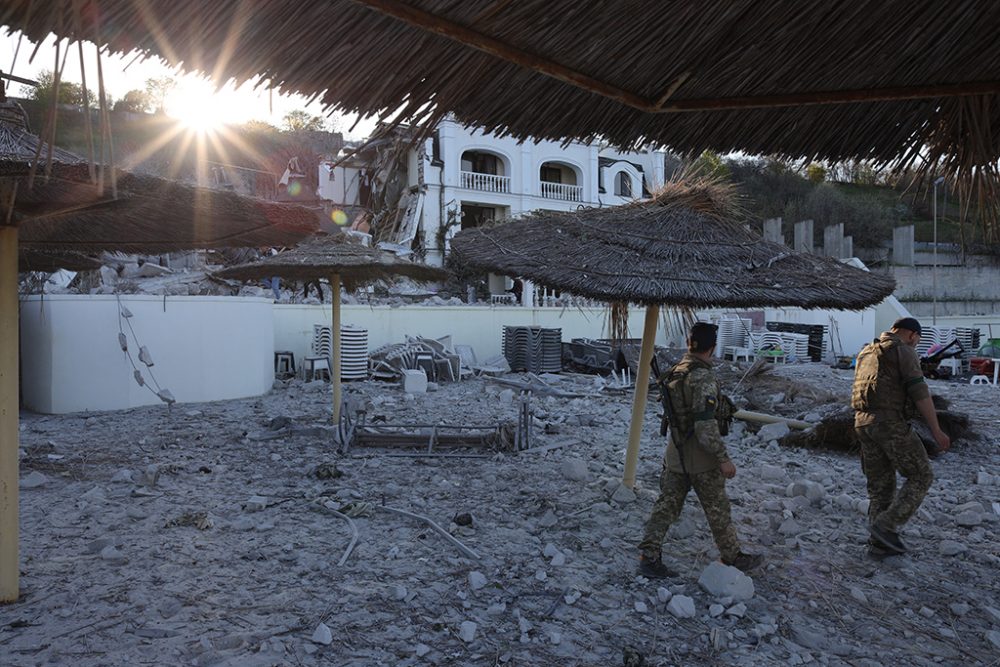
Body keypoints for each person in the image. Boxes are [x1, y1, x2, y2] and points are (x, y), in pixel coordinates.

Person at [637, 322, 762, 578]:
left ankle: (648, 557)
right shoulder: (702, 377)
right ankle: (732, 557)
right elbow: (705, 425)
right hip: (701, 458)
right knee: (718, 509)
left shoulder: (676, 371)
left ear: (688, 342)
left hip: (675, 453)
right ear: (713, 348)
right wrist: (723, 459)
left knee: (666, 507)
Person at [852, 317, 951, 557]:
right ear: (912, 335)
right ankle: (886, 526)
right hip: (889, 424)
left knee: (880, 488)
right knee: (921, 475)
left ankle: (880, 544)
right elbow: (920, 392)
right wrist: (936, 430)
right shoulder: (904, 351)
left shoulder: (866, 351)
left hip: (862, 423)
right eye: (917, 340)